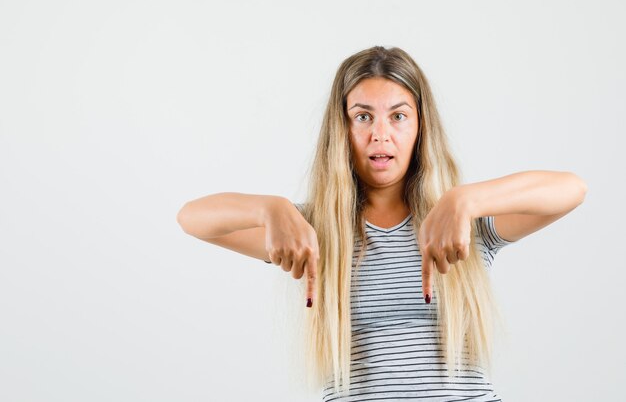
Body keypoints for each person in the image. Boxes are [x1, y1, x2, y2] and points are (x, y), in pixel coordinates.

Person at [176, 46, 588, 401]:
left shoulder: (460, 225)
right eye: (362, 117)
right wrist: (271, 209)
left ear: (420, 126)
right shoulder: (311, 234)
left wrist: (466, 198)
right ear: (342, 129)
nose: (380, 135)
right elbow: (192, 219)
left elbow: (571, 189)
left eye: (398, 116)